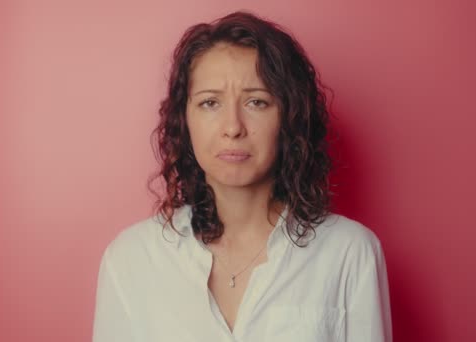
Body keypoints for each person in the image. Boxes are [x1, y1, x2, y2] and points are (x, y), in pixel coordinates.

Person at [92, 10, 392, 342]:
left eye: (257, 102)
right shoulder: (131, 258)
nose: (233, 127)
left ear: (289, 117)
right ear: (184, 119)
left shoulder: (349, 252)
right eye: (209, 103)